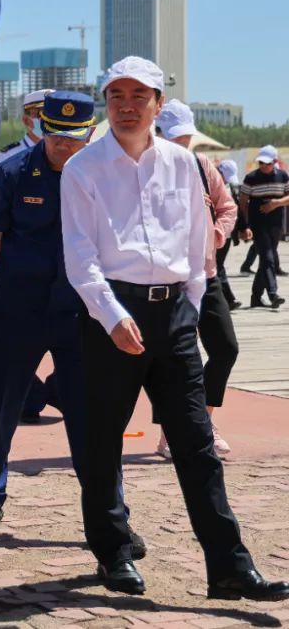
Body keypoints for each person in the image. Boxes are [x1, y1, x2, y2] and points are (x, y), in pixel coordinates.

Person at [61, 56, 288, 600]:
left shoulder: (183, 166)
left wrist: (189, 302)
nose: (126, 105)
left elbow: (197, 242)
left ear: (158, 105)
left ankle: (229, 565)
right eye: (116, 95)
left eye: (139, 95)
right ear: (106, 102)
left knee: (197, 444)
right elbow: (79, 256)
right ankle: (113, 551)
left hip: (174, 318)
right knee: (102, 443)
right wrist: (113, 316)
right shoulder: (83, 169)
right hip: (110, 316)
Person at [0, 92, 106, 531]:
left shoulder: (102, 176)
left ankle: (108, 511)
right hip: (19, 310)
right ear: (40, 128)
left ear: (89, 134)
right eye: (54, 135)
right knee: (2, 406)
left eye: (72, 138)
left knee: (91, 416)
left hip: (80, 314)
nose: (62, 145)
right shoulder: (11, 173)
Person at [152, 100, 239, 460]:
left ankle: (204, 420)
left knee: (225, 348)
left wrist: (216, 235)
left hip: (206, 274)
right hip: (167, 280)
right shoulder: (146, 168)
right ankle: (170, 434)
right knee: (170, 359)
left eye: (187, 137)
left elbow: (228, 207)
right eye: (176, 138)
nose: (182, 145)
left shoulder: (204, 166)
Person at [240, 145, 288, 309]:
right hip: (257, 224)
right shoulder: (251, 178)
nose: (263, 165)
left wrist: (276, 203)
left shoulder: (283, 176)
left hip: (276, 224)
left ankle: (255, 297)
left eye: (266, 163)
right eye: (260, 162)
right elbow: (243, 203)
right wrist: (244, 225)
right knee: (268, 257)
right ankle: (273, 293)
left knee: (266, 260)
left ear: (274, 162)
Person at [215, 159, 243, 309]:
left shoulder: (230, 187)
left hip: (226, 235)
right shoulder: (206, 184)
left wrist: (243, 228)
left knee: (218, 267)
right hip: (212, 233)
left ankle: (227, 300)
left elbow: (236, 208)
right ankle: (227, 300)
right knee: (217, 268)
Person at [0, 89, 52, 164]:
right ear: (26, 120)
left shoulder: (67, 153)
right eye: (42, 114)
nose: (49, 120)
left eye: (53, 115)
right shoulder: (8, 156)